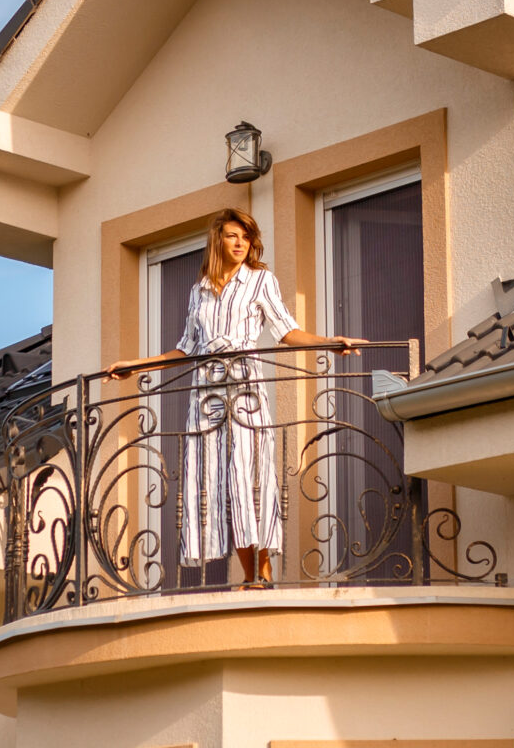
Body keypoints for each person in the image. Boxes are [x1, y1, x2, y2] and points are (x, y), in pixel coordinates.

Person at [107, 207, 352, 586]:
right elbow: (186, 348)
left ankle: (263, 572)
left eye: (246, 237)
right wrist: (137, 366)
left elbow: (286, 331)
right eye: (233, 236)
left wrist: (330, 342)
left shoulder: (260, 280)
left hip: (244, 391)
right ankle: (250, 572)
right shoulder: (199, 291)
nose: (240, 244)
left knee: (249, 475)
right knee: (216, 479)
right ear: (218, 240)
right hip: (205, 396)